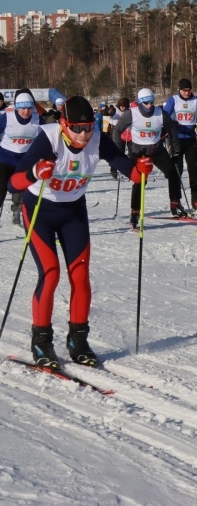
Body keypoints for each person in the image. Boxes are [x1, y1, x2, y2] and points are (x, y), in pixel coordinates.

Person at [9, 96, 152, 367]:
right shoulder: (47, 139)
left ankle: (78, 340)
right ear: (64, 124)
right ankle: (41, 342)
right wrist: (35, 172)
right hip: (39, 211)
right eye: (77, 128)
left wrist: (141, 170)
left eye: (88, 127)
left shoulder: (97, 139)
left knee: (80, 274)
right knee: (50, 273)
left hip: (73, 212)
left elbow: (129, 170)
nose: (84, 134)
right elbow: (13, 184)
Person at [112, 88, 186, 227]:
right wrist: (118, 149)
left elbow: (172, 131)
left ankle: (175, 203)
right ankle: (135, 211)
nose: (149, 105)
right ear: (140, 102)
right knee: (139, 180)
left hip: (157, 150)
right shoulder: (131, 114)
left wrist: (176, 152)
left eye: (152, 102)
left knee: (173, 172)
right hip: (139, 151)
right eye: (146, 103)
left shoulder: (161, 113)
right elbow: (117, 131)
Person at [162, 78, 197, 209]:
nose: (187, 93)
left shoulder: (196, 100)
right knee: (177, 170)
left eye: (189, 90)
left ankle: (195, 200)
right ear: (179, 90)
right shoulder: (173, 100)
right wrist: (169, 126)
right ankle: (175, 200)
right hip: (176, 139)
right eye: (184, 90)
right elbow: (165, 115)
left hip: (190, 138)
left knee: (193, 169)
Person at [0, 89, 44, 229]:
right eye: (23, 108)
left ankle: (20, 214)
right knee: (1, 190)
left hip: (24, 161)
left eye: (29, 108)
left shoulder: (38, 119)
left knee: (23, 191)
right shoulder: (7, 117)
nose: (26, 111)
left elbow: (48, 137)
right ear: (17, 107)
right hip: (4, 160)